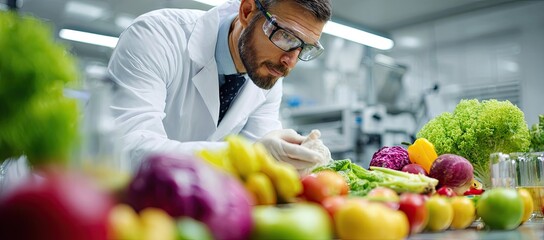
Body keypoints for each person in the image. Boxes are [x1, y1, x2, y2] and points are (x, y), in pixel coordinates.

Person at [107, 0, 333, 172]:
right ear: (247, 12)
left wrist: (292, 160)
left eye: (304, 48)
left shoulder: (269, 74)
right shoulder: (156, 36)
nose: (290, 61)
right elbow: (126, 148)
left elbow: (258, 168)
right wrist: (248, 154)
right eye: (285, 36)